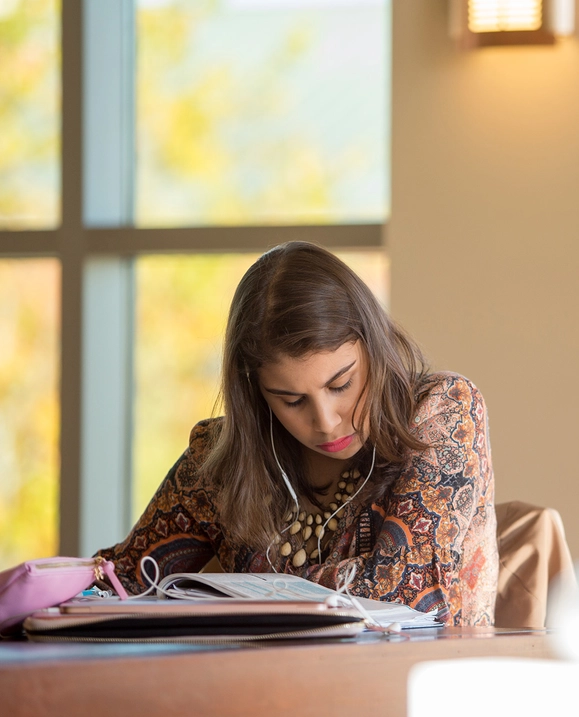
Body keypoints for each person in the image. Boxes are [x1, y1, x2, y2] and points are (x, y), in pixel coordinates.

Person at [96, 241, 498, 626]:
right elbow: (119, 582)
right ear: (255, 394)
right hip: (260, 691)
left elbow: (403, 597)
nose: (325, 421)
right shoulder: (219, 462)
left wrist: (235, 593)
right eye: (291, 400)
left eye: (341, 385)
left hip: (413, 687)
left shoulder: (441, 410)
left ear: (374, 348)